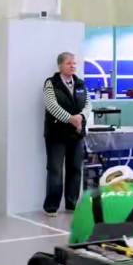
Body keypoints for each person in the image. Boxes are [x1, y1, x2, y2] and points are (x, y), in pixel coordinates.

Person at [44, 52, 91, 215]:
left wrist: (81, 117)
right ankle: (51, 206)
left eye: (74, 63)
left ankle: (71, 204)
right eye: (68, 63)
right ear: (60, 66)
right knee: (55, 171)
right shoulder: (51, 83)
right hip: (56, 135)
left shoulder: (80, 84)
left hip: (76, 134)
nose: (72, 66)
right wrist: (71, 119)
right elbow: (52, 106)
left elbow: (88, 104)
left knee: (75, 169)